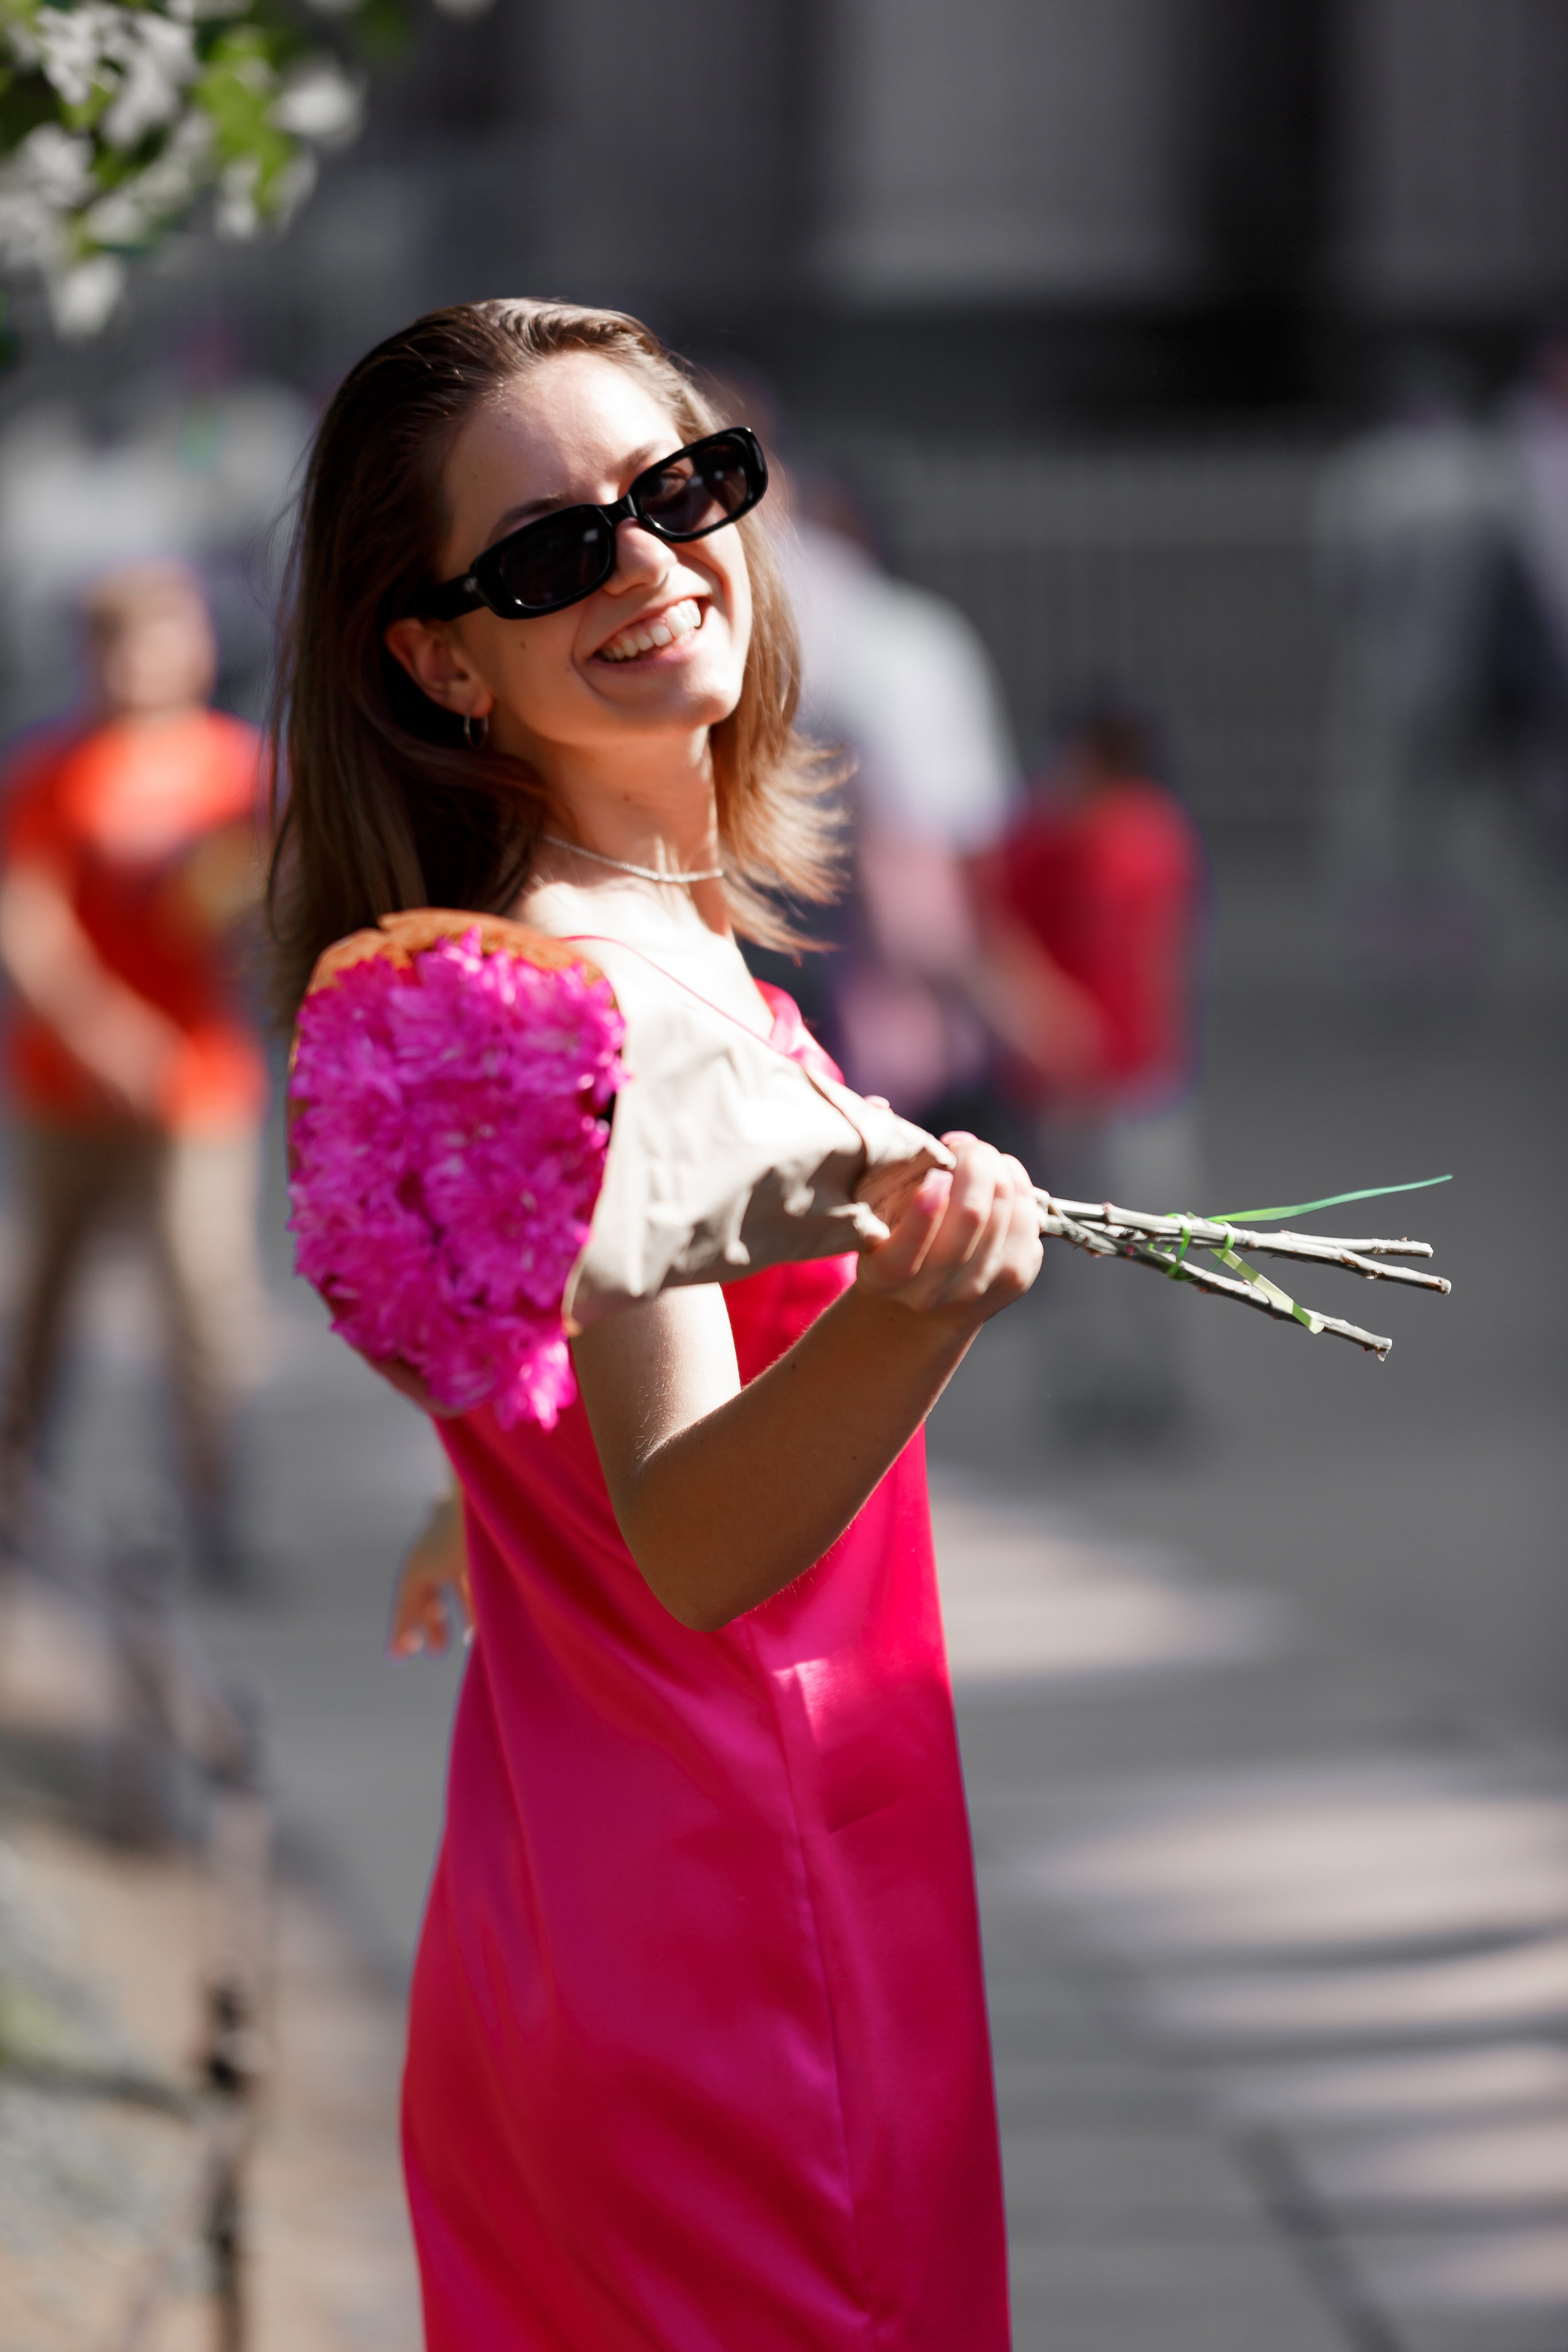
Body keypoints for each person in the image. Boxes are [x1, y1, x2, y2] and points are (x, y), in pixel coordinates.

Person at [269, 300, 1039, 2350]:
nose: (645, 561)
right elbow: (694, 1537)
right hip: (737, 1921)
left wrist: (493, 1494)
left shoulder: (615, 933)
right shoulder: (575, 991)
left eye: (677, 491)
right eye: (545, 557)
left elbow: (570, 1371)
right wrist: (917, 1311)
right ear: (439, 655)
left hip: (600, 1875)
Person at [0, 562, 270, 1577]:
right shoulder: (50, 773)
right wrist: (105, 1037)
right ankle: (16, 1495)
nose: (140, 663)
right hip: (67, 1089)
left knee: (207, 1297)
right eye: (116, 644)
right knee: (47, 1299)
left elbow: (278, 895)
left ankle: (212, 1511)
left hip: (200, 1087)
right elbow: (29, 930)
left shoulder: (241, 770)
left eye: (160, 637)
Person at [988, 704, 1206, 1442]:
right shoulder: (1038, 841)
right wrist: (1035, 1017)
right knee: (1076, 1247)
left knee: (1159, 1236)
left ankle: (1153, 1388)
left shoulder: (1151, 836)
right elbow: (994, 932)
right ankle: (1083, 1393)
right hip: (1065, 1083)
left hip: (1140, 1078)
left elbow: (1164, 951)